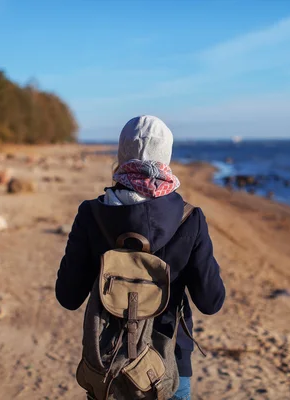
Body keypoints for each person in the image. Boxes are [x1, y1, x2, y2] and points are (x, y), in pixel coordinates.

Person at [56, 115, 225, 400]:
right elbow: (211, 302)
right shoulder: (189, 219)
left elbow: (68, 296)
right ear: (166, 158)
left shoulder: (91, 214)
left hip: (108, 362)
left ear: (121, 154)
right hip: (169, 363)